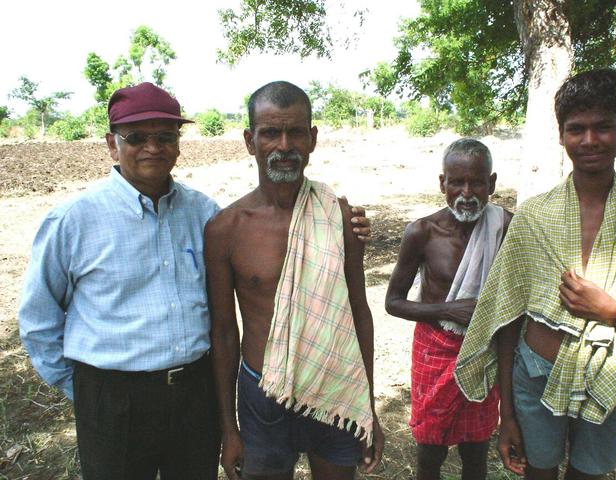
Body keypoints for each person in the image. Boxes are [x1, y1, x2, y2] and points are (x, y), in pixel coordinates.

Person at [17, 81, 372, 479]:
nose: (153, 147)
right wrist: (87, 391)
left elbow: (355, 309)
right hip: (121, 399)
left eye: (165, 136)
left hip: (198, 397)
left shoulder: (206, 213)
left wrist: (368, 405)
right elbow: (39, 319)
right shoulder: (76, 221)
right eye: (137, 137)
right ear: (112, 144)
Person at [454, 69, 616, 480]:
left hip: (610, 374)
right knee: (539, 472)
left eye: (602, 127)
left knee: (588, 474)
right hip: (535, 374)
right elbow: (507, 315)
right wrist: (507, 413)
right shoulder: (535, 216)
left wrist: (613, 312)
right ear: (561, 135)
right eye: (576, 129)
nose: (589, 140)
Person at [205, 80, 385, 480]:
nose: (284, 145)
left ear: (312, 139)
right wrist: (228, 428)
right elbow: (223, 332)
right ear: (250, 141)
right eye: (270, 133)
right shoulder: (226, 229)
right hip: (261, 395)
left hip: (334, 384)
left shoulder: (338, 217)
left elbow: (359, 313)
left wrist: (367, 406)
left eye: (296, 132)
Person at [385, 138, 512, 480]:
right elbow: (393, 303)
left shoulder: (505, 228)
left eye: (477, 182)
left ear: (492, 184)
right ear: (443, 183)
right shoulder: (422, 232)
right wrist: (447, 311)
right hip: (434, 350)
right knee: (430, 450)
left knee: (476, 450)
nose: (466, 192)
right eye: (456, 182)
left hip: (482, 350)